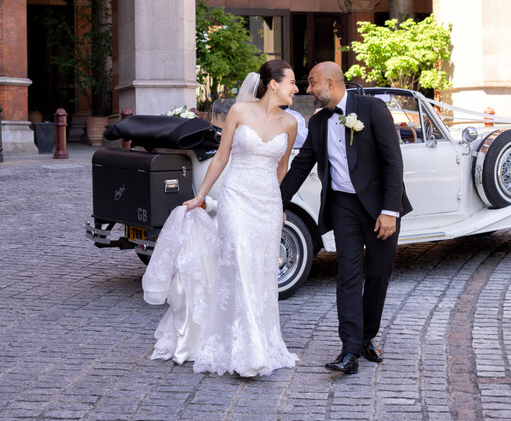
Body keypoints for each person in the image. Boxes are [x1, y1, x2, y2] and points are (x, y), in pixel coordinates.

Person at [143, 59, 300, 378]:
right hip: (236, 200)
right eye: (291, 82)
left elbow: (281, 168)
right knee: (240, 266)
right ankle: (249, 351)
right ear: (273, 84)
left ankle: (261, 341)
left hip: (267, 205)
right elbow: (222, 156)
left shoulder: (291, 123)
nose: (295, 89)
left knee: (261, 273)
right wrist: (201, 196)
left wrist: (276, 201)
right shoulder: (240, 113)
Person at [280, 62, 412, 375]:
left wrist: (389, 211)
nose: (308, 90)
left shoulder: (372, 109)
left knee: (379, 274)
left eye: (311, 84)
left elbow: (393, 162)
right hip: (343, 207)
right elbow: (302, 165)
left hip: (379, 206)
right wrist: (275, 200)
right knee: (348, 274)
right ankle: (350, 349)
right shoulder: (318, 122)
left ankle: (367, 336)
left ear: (329, 82)